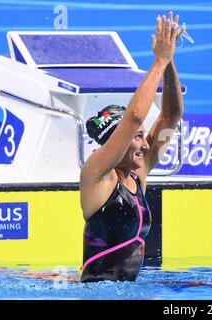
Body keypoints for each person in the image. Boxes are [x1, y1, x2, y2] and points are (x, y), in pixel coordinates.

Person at [79, 12, 184, 282]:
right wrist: (158, 61)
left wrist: (169, 62)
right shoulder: (97, 175)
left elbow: (171, 117)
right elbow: (135, 116)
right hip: (95, 295)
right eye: (137, 137)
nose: (146, 143)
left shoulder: (139, 173)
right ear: (118, 139)